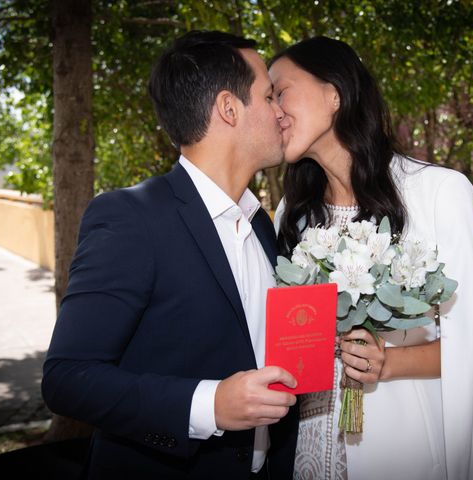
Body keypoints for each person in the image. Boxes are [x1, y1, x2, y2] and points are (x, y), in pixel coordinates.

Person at [42, 30, 299, 479]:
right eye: (270, 96)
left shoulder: (260, 223)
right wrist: (208, 405)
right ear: (228, 108)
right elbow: (67, 378)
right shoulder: (130, 218)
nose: (282, 113)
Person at [269, 36, 473, 480]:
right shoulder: (291, 213)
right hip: (307, 440)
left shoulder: (441, 194)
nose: (273, 109)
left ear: (335, 94)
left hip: (401, 445)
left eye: (281, 91)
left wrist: (390, 362)